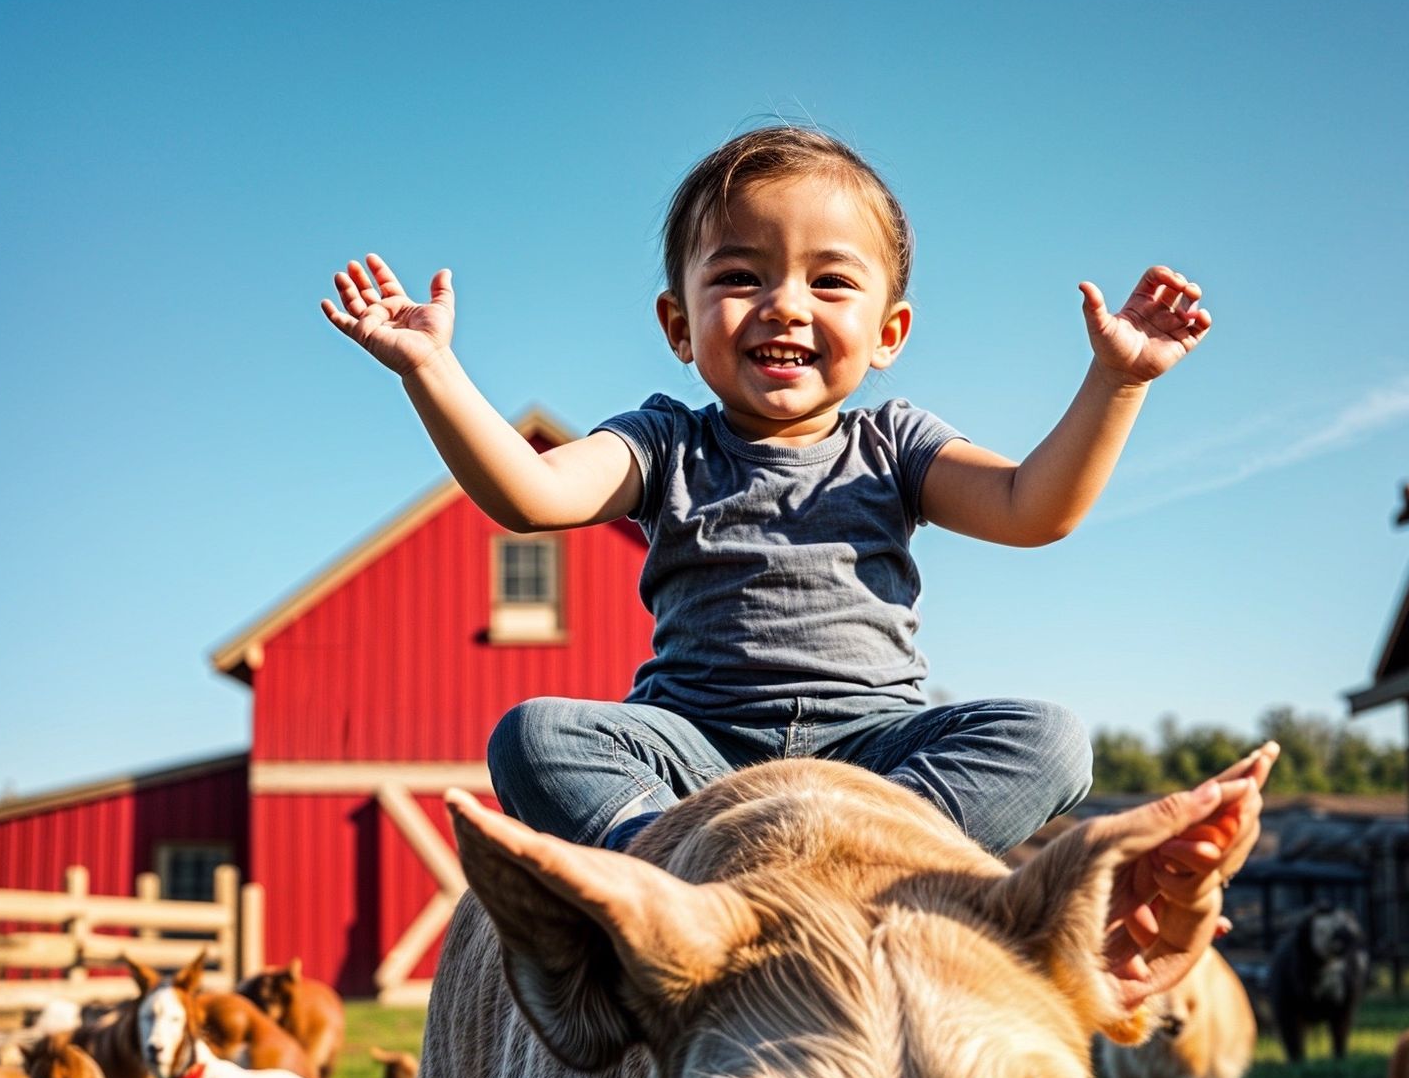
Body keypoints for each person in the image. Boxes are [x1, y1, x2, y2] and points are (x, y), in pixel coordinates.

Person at [322, 126, 1212, 856]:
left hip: (873, 757)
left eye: (830, 281)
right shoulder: (664, 442)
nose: (785, 304)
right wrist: (430, 369)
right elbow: (533, 496)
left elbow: (1031, 508)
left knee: (1051, 738)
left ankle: (871, 854)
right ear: (679, 325)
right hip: (694, 752)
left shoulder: (895, 445)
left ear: (888, 333)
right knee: (533, 737)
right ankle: (666, 861)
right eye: (740, 277)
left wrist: (1117, 382)